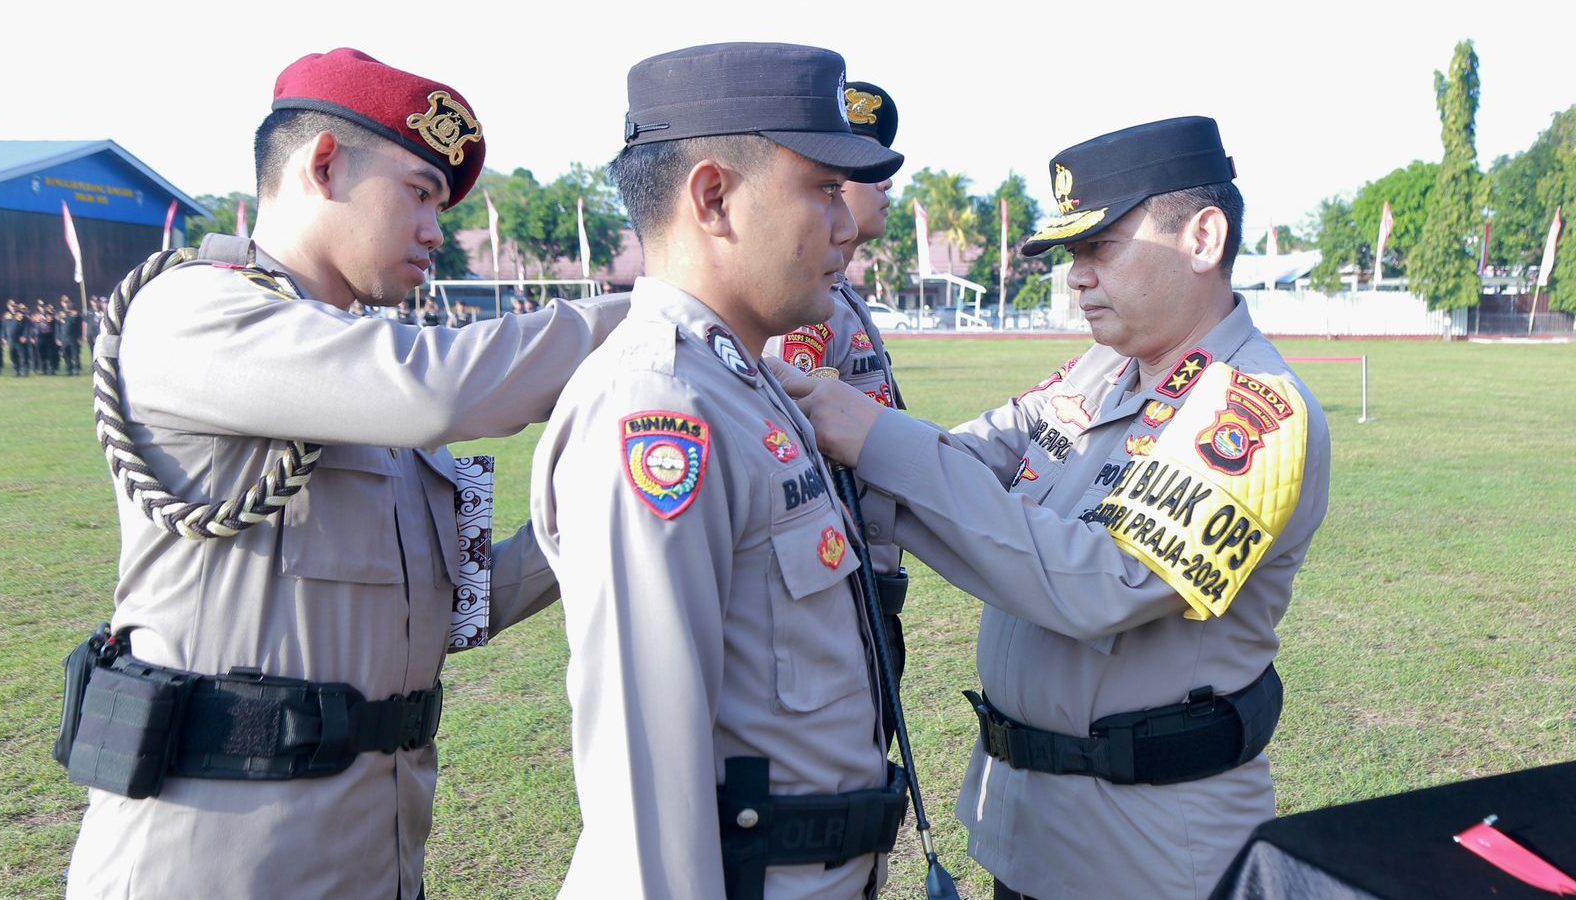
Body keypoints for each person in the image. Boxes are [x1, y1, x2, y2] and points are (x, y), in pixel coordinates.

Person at [65, 47, 626, 900]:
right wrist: (671, 311)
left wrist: (609, 501)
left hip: (378, 846)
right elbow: (442, 389)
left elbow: (462, 608)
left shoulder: (367, 379)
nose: (437, 230)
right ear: (324, 165)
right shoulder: (195, 313)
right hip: (214, 859)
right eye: (420, 192)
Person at [783, 116, 1332, 899]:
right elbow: (969, 458)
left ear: (1203, 238)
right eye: (1074, 252)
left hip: (1149, 856)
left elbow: (1096, 586)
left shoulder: (1253, 410)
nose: (1076, 275)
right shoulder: (1106, 370)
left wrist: (875, 438)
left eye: (1101, 245)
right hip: (1034, 831)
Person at [531, 42, 907, 899]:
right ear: (713, 198)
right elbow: (646, 806)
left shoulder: (741, 379)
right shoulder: (659, 404)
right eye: (821, 189)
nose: (846, 223)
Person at [764, 78, 911, 692]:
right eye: (862, 170)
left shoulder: (840, 291)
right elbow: (808, 436)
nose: (884, 185)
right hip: (842, 577)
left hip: (868, 573)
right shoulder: (809, 302)